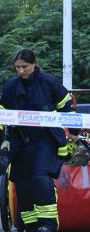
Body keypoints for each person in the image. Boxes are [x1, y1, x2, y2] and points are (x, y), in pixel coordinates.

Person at [0, 49, 72, 232]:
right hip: (20, 141)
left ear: (34, 64)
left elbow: (67, 107)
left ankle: (48, 225)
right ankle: (31, 225)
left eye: (24, 67)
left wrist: (73, 132)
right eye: (17, 67)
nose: (21, 71)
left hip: (46, 139)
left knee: (40, 178)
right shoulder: (10, 88)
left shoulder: (49, 82)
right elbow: (2, 116)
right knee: (23, 183)